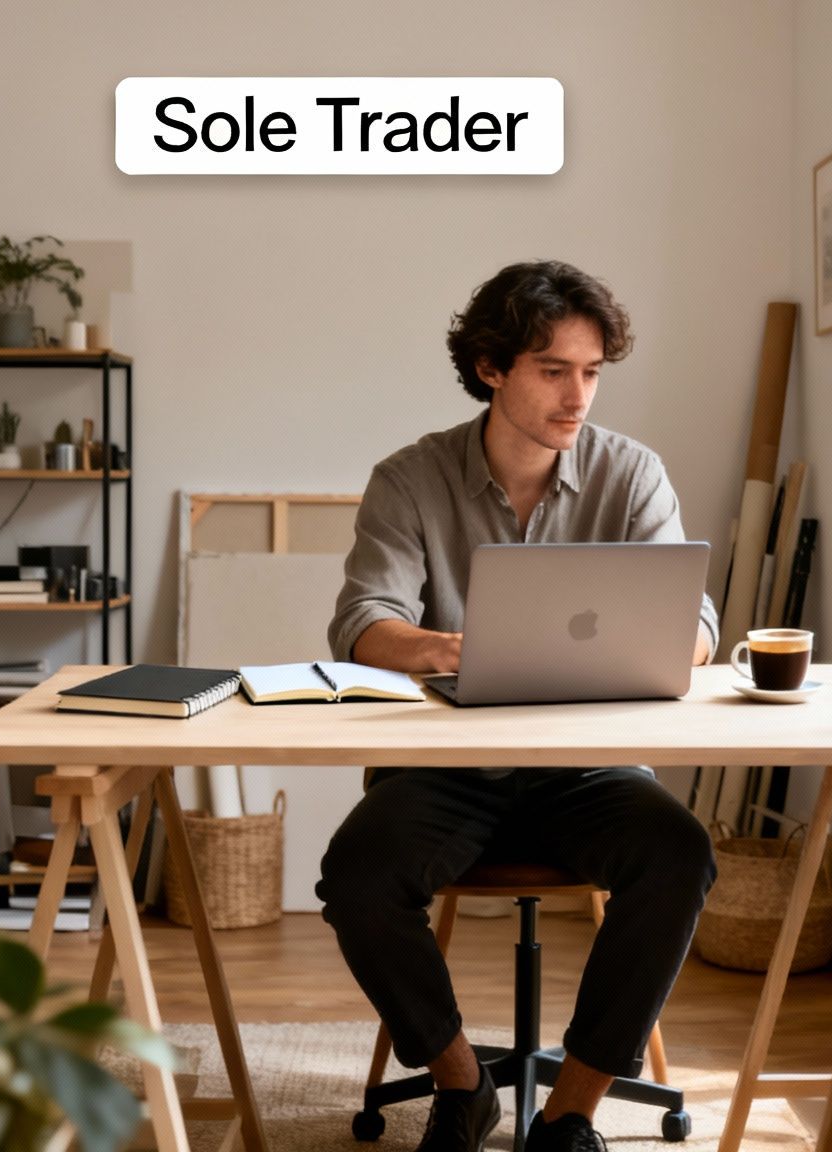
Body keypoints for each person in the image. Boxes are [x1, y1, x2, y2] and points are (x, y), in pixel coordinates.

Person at [319, 261, 720, 1152]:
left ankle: (571, 1111)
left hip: (590, 772)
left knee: (678, 853)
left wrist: (671, 643)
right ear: (492, 368)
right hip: (448, 770)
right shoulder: (411, 477)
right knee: (356, 874)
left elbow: (696, 620)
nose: (577, 396)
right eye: (552, 370)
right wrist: (449, 648)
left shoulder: (632, 473)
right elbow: (362, 620)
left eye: (592, 371)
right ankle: (463, 1086)